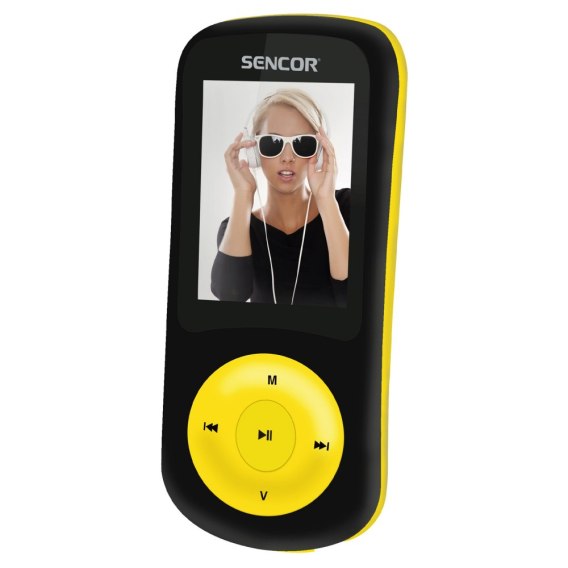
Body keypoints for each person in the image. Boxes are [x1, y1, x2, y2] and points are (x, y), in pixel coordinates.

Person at [211, 88, 350, 306]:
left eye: (302, 143)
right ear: (254, 151)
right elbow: (230, 296)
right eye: (273, 143)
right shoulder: (238, 227)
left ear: (319, 151)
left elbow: (355, 297)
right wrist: (243, 194)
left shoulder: (345, 207)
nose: (287, 157)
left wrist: (326, 200)